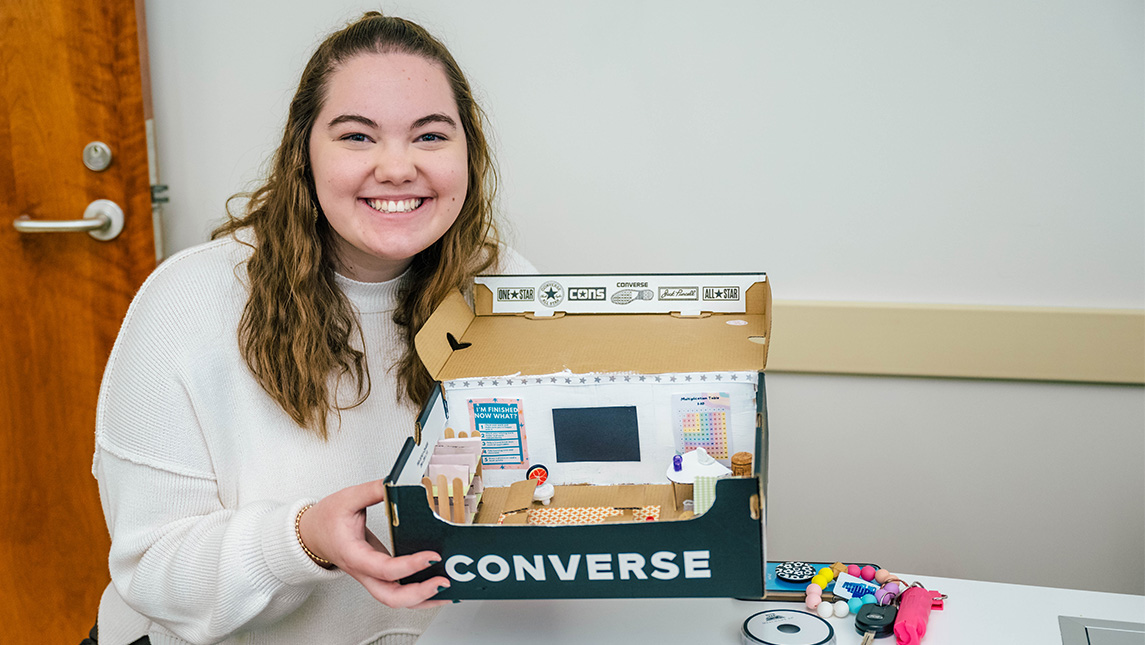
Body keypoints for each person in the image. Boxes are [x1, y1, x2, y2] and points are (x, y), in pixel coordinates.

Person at [92, 12, 534, 645]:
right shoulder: (187, 301)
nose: (397, 167)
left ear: (469, 152)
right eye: (357, 136)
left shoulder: (506, 290)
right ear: (304, 151)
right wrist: (301, 539)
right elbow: (155, 572)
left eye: (431, 136)